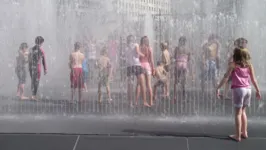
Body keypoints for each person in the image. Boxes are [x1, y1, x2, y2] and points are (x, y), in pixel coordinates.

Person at [216, 48, 261, 142]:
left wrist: (218, 87)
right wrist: (257, 90)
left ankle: (237, 135)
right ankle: (244, 132)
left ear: (235, 55)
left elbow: (225, 78)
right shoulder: (249, 65)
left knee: (238, 113)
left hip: (238, 90)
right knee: (243, 112)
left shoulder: (233, 65)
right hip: (248, 90)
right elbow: (254, 79)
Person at [125, 35, 148, 107]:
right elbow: (138, 52)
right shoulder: (136, 44)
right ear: (133, 39)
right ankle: (144, 102)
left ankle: (130, 103)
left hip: (129, 66)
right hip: (137, 65)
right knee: (142, 83)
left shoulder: (126, 47)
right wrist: (143, 55)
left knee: (130, 85)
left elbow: (125, 57)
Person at [28, 36, 47, 100]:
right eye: (42, 43)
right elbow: (43, 60)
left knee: (32, 81)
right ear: (41, 42)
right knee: (37, 81)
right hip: (38, 67)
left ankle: (32, 94)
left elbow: (29, 59)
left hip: (31, 67)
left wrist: (29, 67)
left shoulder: (31, 49)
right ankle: (34, 95)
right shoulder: (41, 50)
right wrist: (45, 69)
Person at [173, 36, 191, 101]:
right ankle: (184, 96)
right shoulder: (187, 49)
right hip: (184, 65)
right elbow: (189, 58)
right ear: (185, 42)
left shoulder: (177, 48)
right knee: (184, 82)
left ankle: (175, 96)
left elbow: (174, 57)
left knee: (176, 81)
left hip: (178, 64)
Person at [139, 36, 155, 106]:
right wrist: (153, 68)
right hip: (147, 66)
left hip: (141, 66)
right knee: (149, 85)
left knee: (143, 85)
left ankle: (144, 101)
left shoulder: (139, 48)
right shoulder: (149, 48)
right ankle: (151, 102)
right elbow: (151, 60)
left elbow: (138, 58)